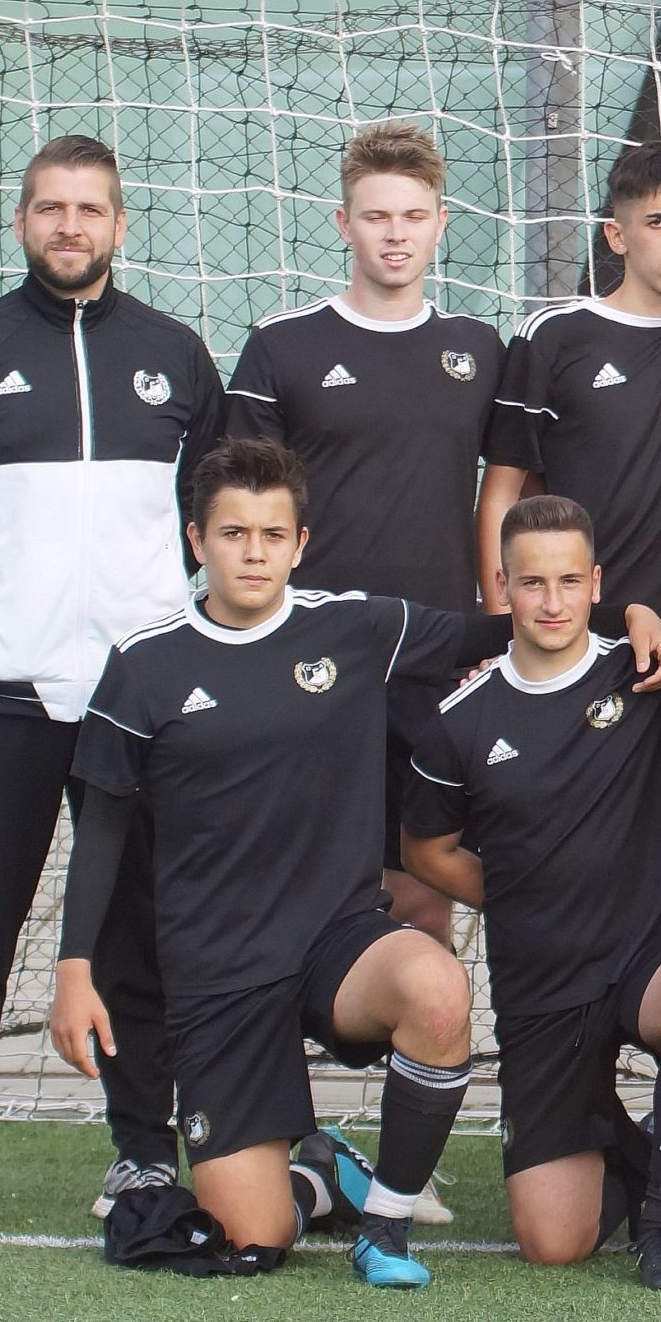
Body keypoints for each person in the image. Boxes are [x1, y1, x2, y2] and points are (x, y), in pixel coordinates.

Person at [47, 438, 661, 1286]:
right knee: (252, 1238)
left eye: (274, 534)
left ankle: (385, 1221)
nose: (255, 552)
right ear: (196, 540)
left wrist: (629, 613)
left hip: (336, 942)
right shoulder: (145, 663)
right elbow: (103, 831)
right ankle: (320, 1178)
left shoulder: (353, 627)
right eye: (234, 533)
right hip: (218, 971)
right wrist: (74, 969)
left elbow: (511, 622)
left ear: (301, 543)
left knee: (438, 990)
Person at [0, 133, 218, 1230]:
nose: (70, 225)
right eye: (51, 207)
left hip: (134, 701)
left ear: (120, 224)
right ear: (22, 221)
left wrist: (149, 619)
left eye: (90, 208)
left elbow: (208, 507)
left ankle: (142, 1152)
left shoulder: (176, 356)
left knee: (136, 933)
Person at [404, 493, 661, 1290]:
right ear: (502, 586)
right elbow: (426, 851)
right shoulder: (460, 716)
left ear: (596, 583)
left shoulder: (648, 672)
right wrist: (518, 894)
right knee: (553, 1243)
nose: (551, 602)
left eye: (568, 581)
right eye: (531, 583)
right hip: (542, 981)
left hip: (646, 958)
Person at [224, 120, 504, 954]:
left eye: (413, 216)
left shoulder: (477, 350)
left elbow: (514, 499)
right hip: (312, 659)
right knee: (297, 891)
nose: (395, 234)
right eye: (377, 216)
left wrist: (496, 629)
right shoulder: (283, 347)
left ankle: (423, 1033)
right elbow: (236, 508)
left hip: (434, 662)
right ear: (345, 223)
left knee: (421, 896)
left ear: (440, 223)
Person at [480, 142, 661, 625]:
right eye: (658, 222)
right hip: (584, 626)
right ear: (616, 236)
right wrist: (501, 627)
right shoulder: (554, 336)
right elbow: (502, 493)